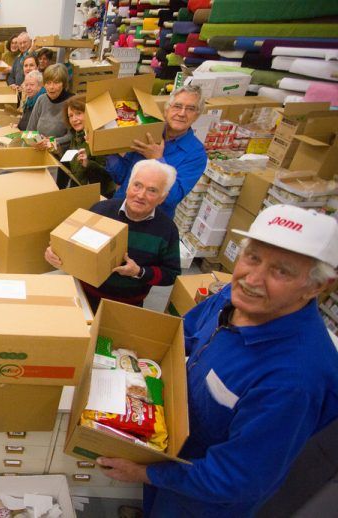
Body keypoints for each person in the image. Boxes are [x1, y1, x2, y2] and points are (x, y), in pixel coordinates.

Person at [97, 203, 338, 518]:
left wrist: (144, 473)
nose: (252, 279)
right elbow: (189, 333)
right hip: (172, 449)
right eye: (252, 257)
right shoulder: (233, 297)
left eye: (281, 270)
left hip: (203, 498)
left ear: (318, 286)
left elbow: (237, 479)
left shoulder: (293, 380)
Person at [45, 159, 180, 313]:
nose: (141, 195)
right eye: (137, 185)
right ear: (128, 186)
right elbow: (72, 243)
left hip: (126, 306)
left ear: (162, 197)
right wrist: (54, 252)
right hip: (83, 297)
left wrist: (139, 272)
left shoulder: (167, 230)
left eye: (152, 190)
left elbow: (171, 274)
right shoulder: (100, 211)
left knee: (107, 338)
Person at [105, 84, 207, 218]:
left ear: (197, 116)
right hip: (120, 209)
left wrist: (157, 159)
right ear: (166, 110)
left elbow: (172, 199)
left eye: (190, 109)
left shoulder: (196, 154)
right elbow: (121, 176)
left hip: (153, 222)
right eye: (177, 106)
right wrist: (108, 148)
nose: (182, 113)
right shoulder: (147, 132)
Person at [60, 94, 115, 195]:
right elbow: (71, 167)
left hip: (98, 196)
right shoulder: (76, 135)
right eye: (70, 116)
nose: (74, 119)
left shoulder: (100, 137)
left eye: (78, 113)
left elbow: (107, 176)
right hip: (79, 191)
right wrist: (56, 151)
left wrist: (88, 164)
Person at [26, 63, 74, 158]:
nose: (51, 87)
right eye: (48, 83)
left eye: (56, 83)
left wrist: (51, 142)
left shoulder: (72, 102)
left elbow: (73, 136)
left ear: (63, 84)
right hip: (39, 151)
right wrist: (36, 141)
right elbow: (30, 130)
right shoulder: (41, 99)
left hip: (60, 156)